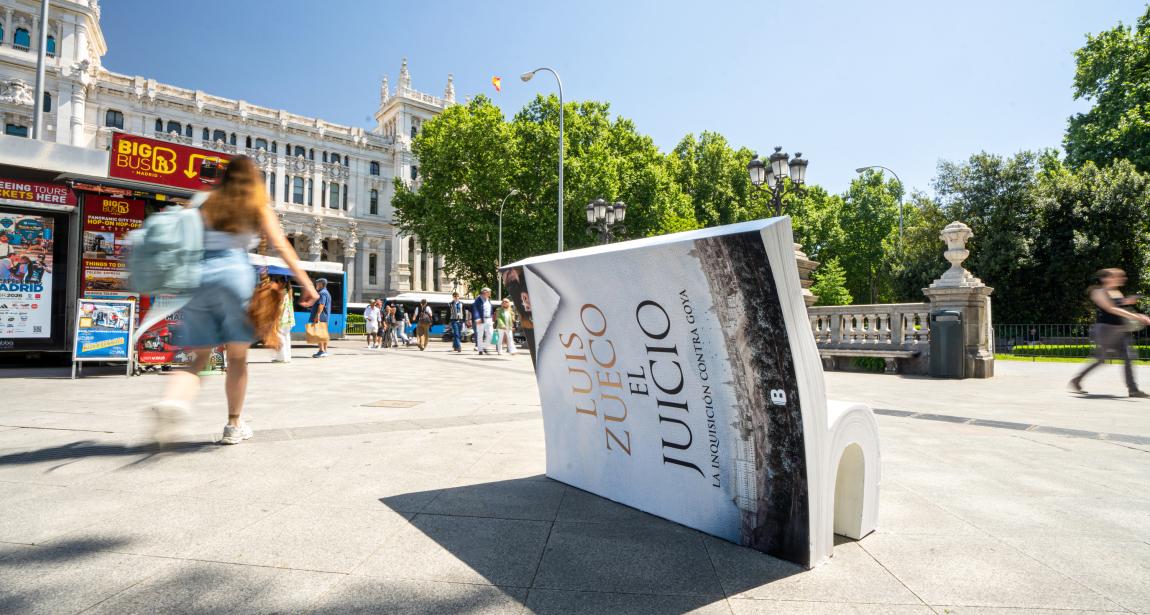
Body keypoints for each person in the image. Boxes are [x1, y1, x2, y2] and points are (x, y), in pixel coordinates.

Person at [150, 155, 318, 444]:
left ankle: (174, 401)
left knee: (198, 357)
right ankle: (233, 425)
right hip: (235, 277)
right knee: (238, 358)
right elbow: (282, 246)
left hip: (198, 277)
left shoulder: (203, 201)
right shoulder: (255, 205)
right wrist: (307, 284)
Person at [1070, 268, 1150, 397]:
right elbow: (1111, 308)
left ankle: (1133, 389)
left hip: (1119, 330)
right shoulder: (1098, 292)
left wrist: (1128, 301)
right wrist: (1136, 317)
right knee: (1101, 359)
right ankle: (1077, 380)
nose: (1121, 278)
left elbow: (1120, 306)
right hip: (1105, 330)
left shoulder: (1117, 292)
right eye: (1116, 276)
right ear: (1105, 279)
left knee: (1128, 356)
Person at [271, 277, 295, 363]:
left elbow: (280, 307)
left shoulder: (282, 292)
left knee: (280, 337)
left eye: (278, 281)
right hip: (289, 319)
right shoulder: (289, 292)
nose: (277, 283)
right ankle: (287, 357)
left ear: (282, 283)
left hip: (282, 318)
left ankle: (281, 357)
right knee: (286, 337)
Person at [310, 278, 332, 358]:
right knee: (324, 334)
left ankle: (321, 350)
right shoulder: (326, 292)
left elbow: (321, 304)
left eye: (317, 283)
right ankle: (325, 351)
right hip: (325, 316)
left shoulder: (322, 293)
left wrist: (317, 315)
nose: (316, 285)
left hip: (321, 317)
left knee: (319, 334)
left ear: (321, 284)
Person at [471, 287, 494, 355]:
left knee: (491, 334)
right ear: (484, 292)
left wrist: (492, 318)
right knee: (480, 335)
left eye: (489, 292)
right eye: (488, 292)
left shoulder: (488, 300)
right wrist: (477, 318)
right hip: (481, 319)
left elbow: (491, 310)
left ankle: (485, 347)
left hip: (489, 319)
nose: (489, 293)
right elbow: (475, 309)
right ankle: (480, 350)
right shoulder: (478, 300)